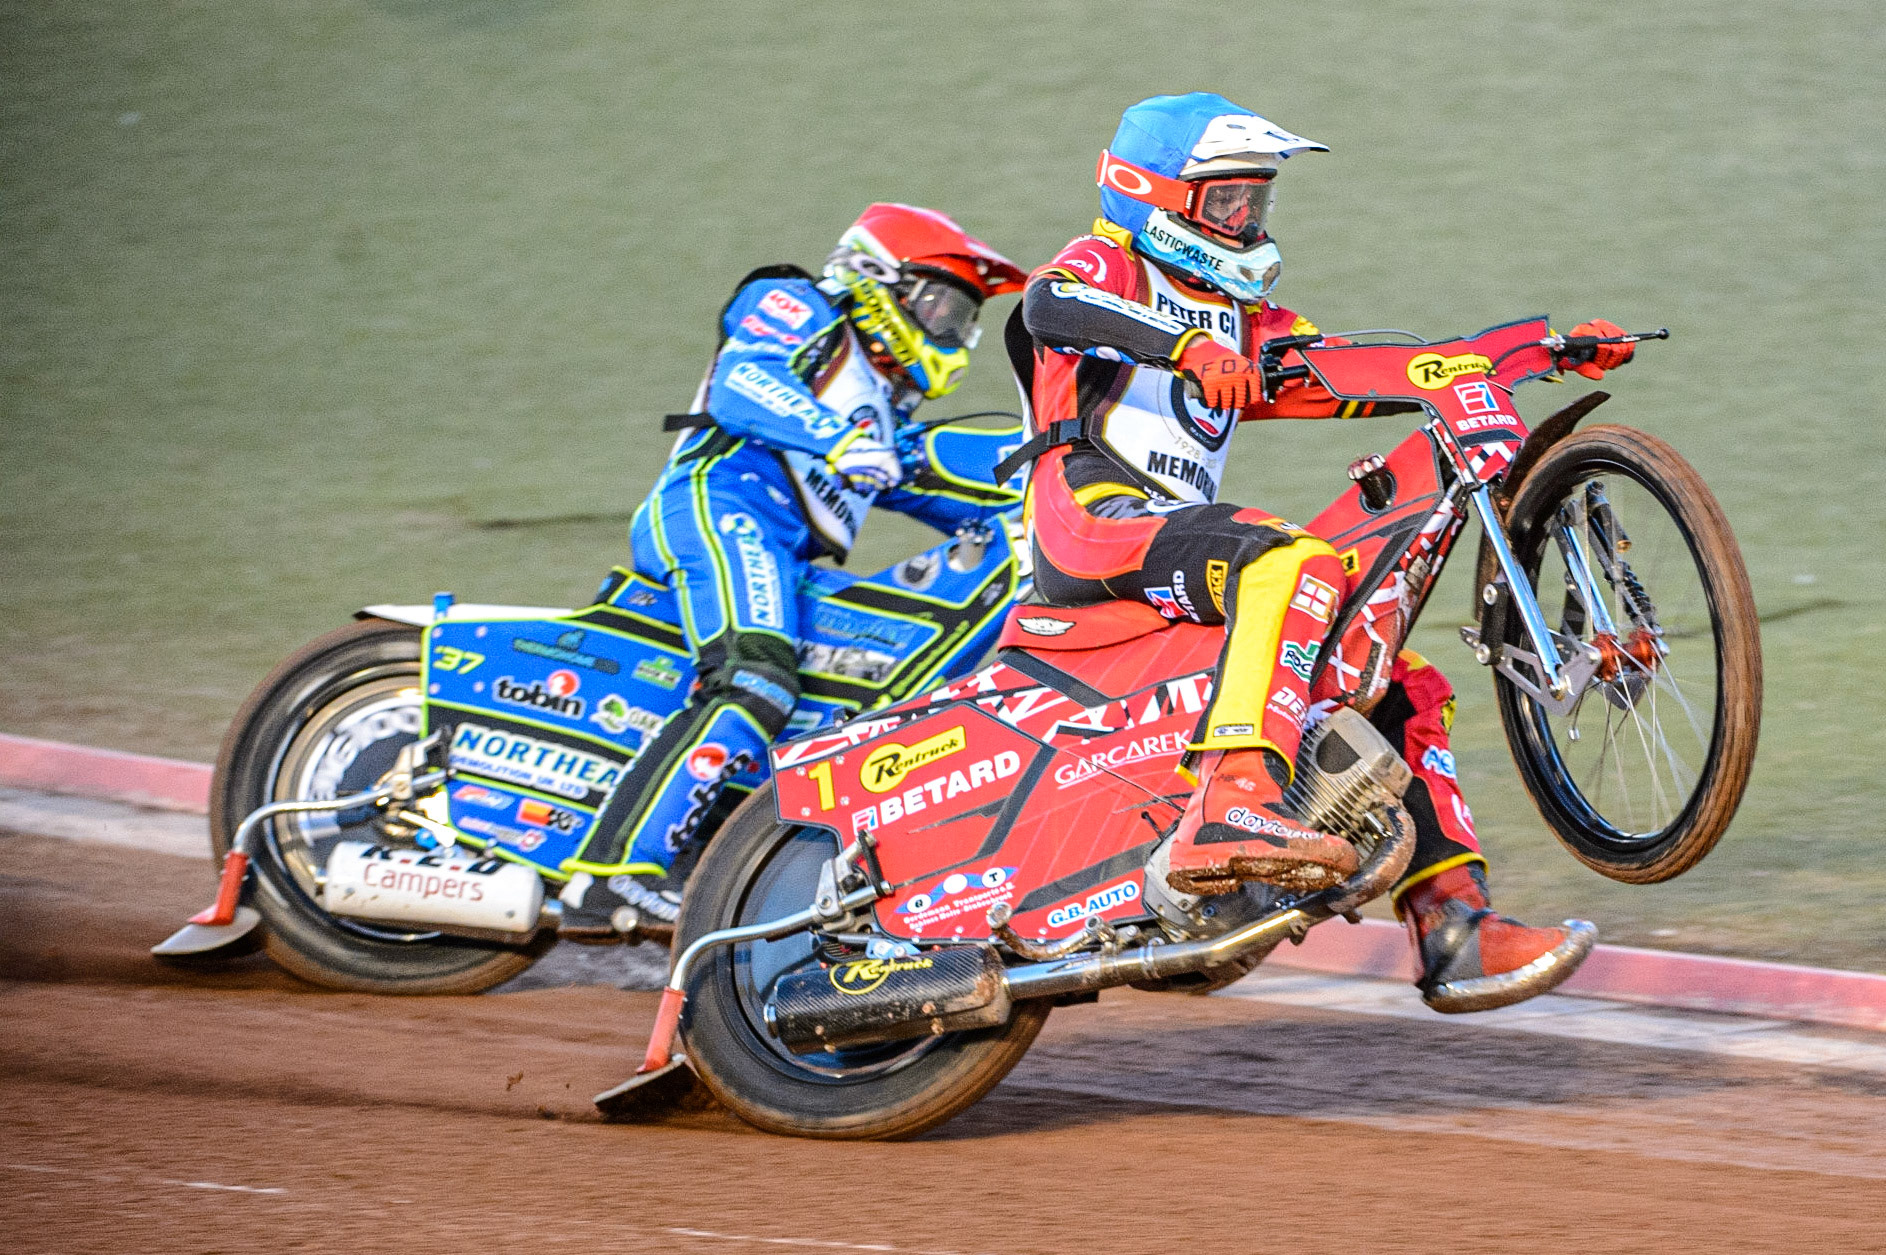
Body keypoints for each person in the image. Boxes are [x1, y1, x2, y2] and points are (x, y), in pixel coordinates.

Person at [1014, 93, 1633, 1010]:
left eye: (1256, 201)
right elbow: (1048, 304)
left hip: (1173, 547)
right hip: (1089, 521)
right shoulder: (1110, 265)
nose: (1247, 219)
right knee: (1291, 559)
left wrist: (1524, 349)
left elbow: (1368, 367)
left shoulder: (1243, 318)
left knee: (1392, 675)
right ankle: (1231, 800)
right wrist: (1184, 347)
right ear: (1157, 195)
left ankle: (1455, 925)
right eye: (1227, 201)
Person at [557, 204, 1028, 940]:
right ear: (877, 278)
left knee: (837, 703)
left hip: (783, 554)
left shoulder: (882, 410)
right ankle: (611, 874)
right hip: (719, 505)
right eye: (940, 303)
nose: (950, 328)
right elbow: (743, 381)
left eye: (963, 318)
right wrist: (835, 437)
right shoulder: (797, 302)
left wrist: (1068, 474)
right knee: (756, 678)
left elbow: (953, 482)